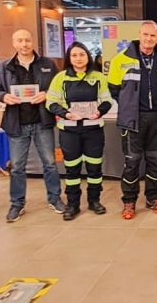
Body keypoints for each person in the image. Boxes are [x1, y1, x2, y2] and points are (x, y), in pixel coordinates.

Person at [107, 21, 157, 219]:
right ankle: (129, 201)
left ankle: (153, 198)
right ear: (139, 35)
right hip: (132, 120)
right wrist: (128, 105)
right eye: (145, 34)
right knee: (132, 162)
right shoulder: (120, 59)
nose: (149, 39)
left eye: (153, 35)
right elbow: (113, 88)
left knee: (155, 161)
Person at [0, 29, 64, 223]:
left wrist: (47, 94)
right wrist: (4, 96)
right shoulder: (4, 67)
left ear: (33, 41)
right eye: (20, 40)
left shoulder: (48, 64)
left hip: (42, 121)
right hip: (16, 123)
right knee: (17, 166)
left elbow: (59, 88)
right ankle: (17, 203)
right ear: (14, 43)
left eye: (27, 40)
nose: (24, 44)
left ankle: (55, 198)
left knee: (50, 163)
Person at [47, 42, 114, 220]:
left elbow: (107, 100)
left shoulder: (98, 77)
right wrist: (66, 114)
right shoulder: (60, 78)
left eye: (82, 54)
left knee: (94, 168)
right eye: (74, 55)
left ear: (88, 56)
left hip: (93, 130)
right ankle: (73, 204)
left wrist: (99, 112)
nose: (78, 58)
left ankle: (94, 201)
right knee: (72, 170)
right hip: (69, 131)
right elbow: (51, 102)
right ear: (69, 58)